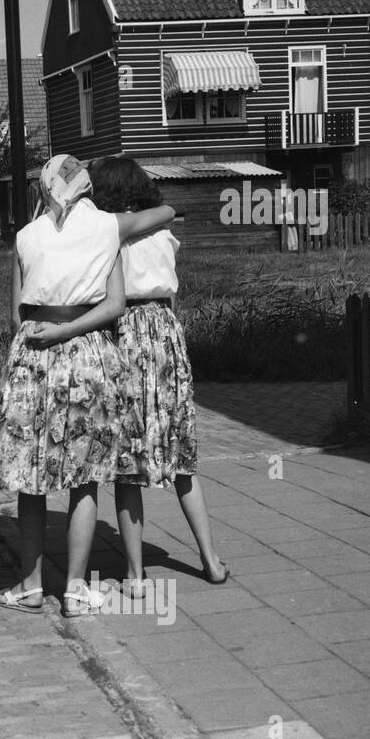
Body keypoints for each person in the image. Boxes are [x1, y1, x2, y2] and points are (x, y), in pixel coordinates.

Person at [0, 154, 176, 617]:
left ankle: (30, 586)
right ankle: (75, 589)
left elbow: (16, 316)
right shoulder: (108, 227)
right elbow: (114, 306)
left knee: (30, 479)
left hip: (33, 356)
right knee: (84, 478)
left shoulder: (25, 237)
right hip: (88, 357)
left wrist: (46, 333)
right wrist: (70, 332)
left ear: (46, 188)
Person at [89, 155, 229, 592]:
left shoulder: (112, 232)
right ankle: (210, 560)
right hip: (166, 333)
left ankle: (134, 575)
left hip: (127, 331)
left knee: (129, 464)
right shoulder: (164, 233)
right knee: (182, 459)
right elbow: (170, 293)